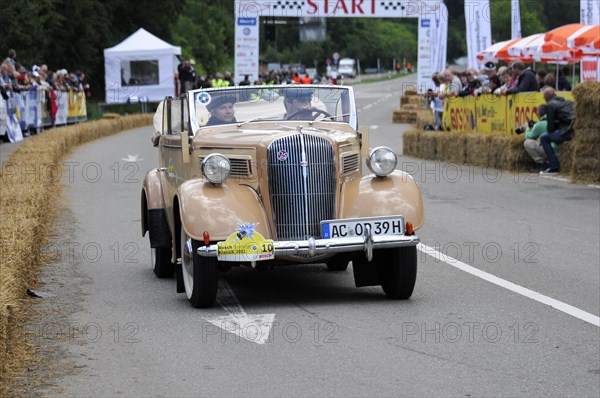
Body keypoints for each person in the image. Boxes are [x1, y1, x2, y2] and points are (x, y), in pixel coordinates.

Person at [539, 87, 575, 175]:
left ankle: (553, 166)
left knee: (544, 137)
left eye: (544, 97)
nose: (544, 99)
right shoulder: (567, 101)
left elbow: (550, 128)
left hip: (567, 132)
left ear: (547, 97)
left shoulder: (550, 105)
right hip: (575, 130)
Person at [522, 105, 555, 172]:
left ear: (538, 114)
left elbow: (528, 136)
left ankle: (541, 163)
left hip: (550, 151)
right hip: (559, 151)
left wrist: (527, 128)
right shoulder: (553, 120)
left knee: (528, 142)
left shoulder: (540, 125)